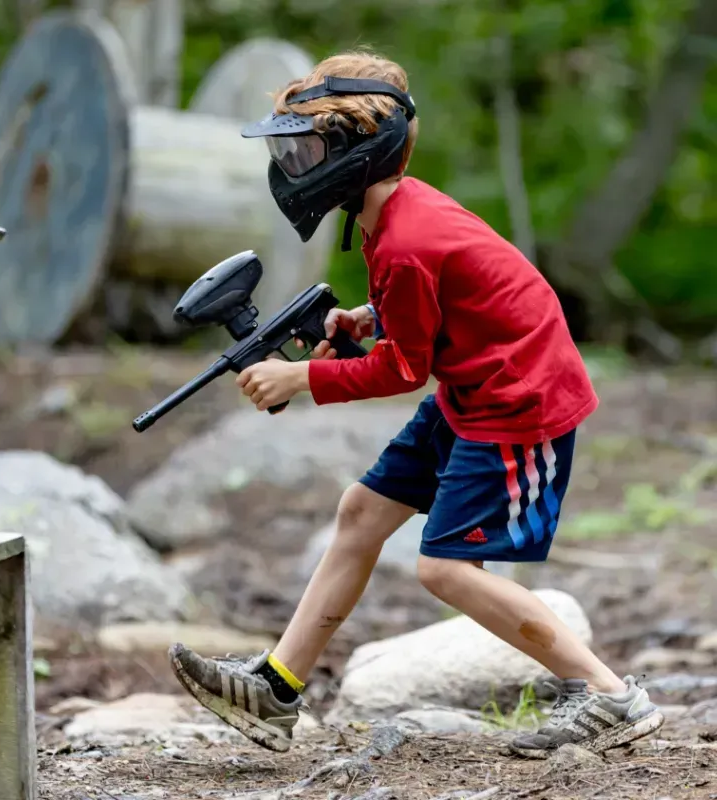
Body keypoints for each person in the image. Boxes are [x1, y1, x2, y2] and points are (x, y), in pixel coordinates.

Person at [168, 50, 664, 759]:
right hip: (476, 384)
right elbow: (453, 294)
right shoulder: (392, 213)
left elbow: (405, 370)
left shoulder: (402, 238)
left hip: (519, 402)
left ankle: (611, 696)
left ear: (358, 153)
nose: (294, 166)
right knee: (361, 512)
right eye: (290, 149)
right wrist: (372, 315)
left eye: (306, 150)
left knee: (444, 568)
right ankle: (277, 691)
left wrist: (299, 381)